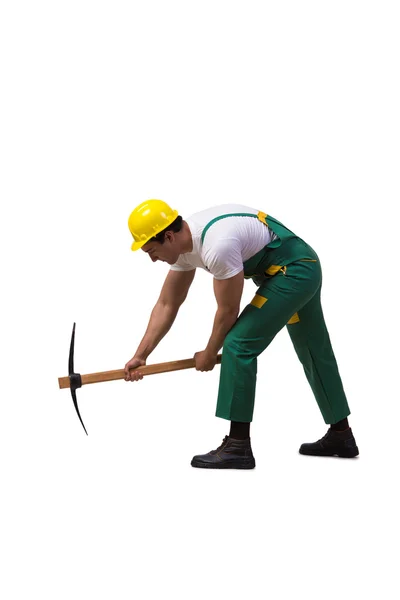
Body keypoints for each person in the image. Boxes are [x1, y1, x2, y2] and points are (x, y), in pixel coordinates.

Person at [124, 199, 359, 469]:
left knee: (238, 344)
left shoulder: (216, 244)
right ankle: (342, 434)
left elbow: (227, 311)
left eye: (152, 251)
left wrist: (210, 353)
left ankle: (237, 446)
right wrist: (141, 355)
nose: (153, 259)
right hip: (290, 270)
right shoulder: (182, 246)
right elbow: (168, 304)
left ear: (168, 236)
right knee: (312, 347)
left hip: (294, 271)